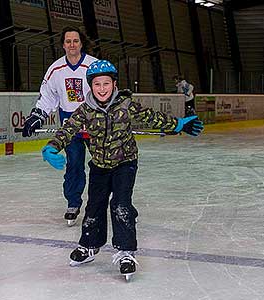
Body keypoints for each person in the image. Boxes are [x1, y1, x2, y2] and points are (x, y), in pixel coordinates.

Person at [40, 60, 204, 279]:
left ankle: (126, 251)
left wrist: (179, 124)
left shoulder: (126, 105)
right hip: (99, 165)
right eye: (97, 84)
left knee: (120, 205)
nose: (101, 88)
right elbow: (68, 129)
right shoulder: (85, 110)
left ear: (114, 84)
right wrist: (51, 148)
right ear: (91, 86)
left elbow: (152, 117)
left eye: (106, 83)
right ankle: (89, 246)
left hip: (125, 164)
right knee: (94, 206)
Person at [21, 26, 97, 226]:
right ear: (63, 44)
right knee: (74, 165)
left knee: (104, 165)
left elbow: (105, 91)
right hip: (69, 124)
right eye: (68, 41)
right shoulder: (55, 69)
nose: (72, 45)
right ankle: (73, 202)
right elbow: (48, 97)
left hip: (94, 123)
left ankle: (115, 203)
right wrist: (36, 117)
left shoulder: (94, 66)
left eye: (76, 41)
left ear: (82, 43)